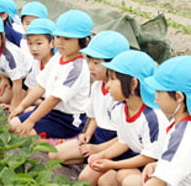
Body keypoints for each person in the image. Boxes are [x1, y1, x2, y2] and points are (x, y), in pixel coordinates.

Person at [79, 50, 168, 186]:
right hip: (133, 157)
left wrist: (112, 164)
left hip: (151, 166)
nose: (107, 84)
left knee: (122, 178)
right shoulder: (119, 108)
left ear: (133, 84)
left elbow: (149, 156)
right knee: (88, 177)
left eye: (113, 79)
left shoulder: (152, 117)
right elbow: (124, 141)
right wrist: (102, 155)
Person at [8, 10, 92, 140]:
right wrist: (21, 106)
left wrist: (31, 120)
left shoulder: (77, 68)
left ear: (84, 41)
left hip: (67, 120)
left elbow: (54, 99)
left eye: (67, 39)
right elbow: (40, 86)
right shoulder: (58, 57)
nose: (60, 42)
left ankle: (62, 141)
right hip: (49, 110)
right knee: (12, 124)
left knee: (24, 135)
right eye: (58, 37)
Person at [48, 31, 130, 162]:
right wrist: (87, 134)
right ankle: (89, 157)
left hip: (114, 144)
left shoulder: (121, 97)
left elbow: (126, 137)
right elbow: (95, 117)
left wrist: (98, 149)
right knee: (54, 156)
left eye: (96, 63)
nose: (90, 67)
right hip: (98, 136)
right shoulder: (97, 86)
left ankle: (93, 160)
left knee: (90, 172)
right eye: (89, 61)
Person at [137, 56, 191, 186]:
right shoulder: (180, 124)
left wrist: (159, 173)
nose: (155, 99)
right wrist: (157, 165)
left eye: (158, 92)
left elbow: (158, 183)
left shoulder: (183, 133)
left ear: (178, 97)